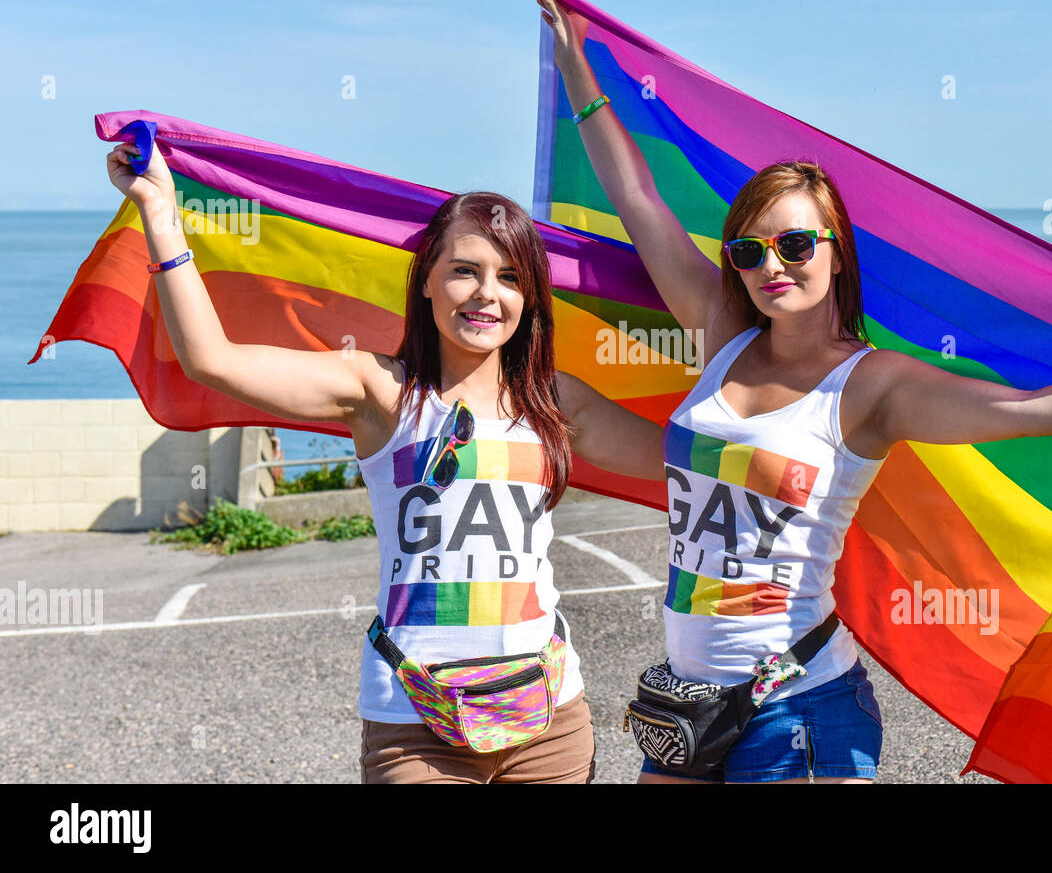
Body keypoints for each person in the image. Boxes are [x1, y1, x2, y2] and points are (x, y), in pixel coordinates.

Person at [537, 0, 1052, 785]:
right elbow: (638, 201)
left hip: (798, 712)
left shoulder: (871, 386)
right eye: (748, 252)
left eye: (792, 245)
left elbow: (1023, 413)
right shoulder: (723, 334)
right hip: (689, 702)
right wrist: (579, 70)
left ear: (836, 250)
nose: (769, 267)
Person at [107, 140, 666, 783]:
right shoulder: (380, 391)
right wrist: (159, 213)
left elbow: (691, 456)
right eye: (466, 270)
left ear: (531, 297)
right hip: (414, 720)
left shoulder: (554, 401)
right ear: (427, 278)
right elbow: (213, 360)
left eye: (510, 277)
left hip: (548, 720)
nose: (488, 294)